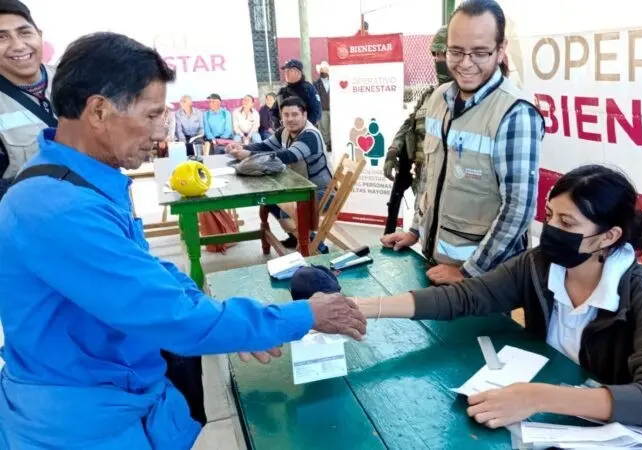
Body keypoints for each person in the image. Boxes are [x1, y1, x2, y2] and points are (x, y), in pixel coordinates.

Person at [0, 32, 367, 449]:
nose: (161, 132)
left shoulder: (75, 182)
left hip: (112, 398)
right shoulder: (59, 209)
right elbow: (171, 315)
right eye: (153, 115)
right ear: (99, 111)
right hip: (85, 422)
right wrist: (301, 318)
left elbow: (145, 269)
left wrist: (235, 325)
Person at [358, 165, 642, 429]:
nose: (551, 228)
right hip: (538, 417)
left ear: (609, 236)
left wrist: (538, 397)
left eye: (567, 222)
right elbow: (464, 297)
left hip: (600, 428)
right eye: (549, 216)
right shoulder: (539, 264)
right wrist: (368, 307)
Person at [381, 0, 544, 285]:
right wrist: (416, 232)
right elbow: (431, 175)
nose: (465, 63)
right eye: (456, 51)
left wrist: (469, 271)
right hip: (434, 263)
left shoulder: (515, 113)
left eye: (480, 53)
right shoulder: (438, 99)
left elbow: (518, 209)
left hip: (485, 281)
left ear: (501, 50)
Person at [227, 96, 332, 250]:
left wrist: (248, 155)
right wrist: (241, 148)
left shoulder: (310, 135)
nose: (290, 119)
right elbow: (264, 146)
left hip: (318, 190)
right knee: (271, 201)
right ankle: (295, 236)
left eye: (295, 114)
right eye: (286, 115)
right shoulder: (284, 131)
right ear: (281, 117)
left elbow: (288, 155)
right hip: (300, 187)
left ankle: (316, 245)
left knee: (285, 214)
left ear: (304, 115)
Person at [383, 25, 451, 231]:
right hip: (421, 179)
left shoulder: (467, 99)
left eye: (446, 54)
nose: (440, 60)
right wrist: (394, 149)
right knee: (422, 233)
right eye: (436, 55)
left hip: (448, 186)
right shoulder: (429, 95)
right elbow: (410, 124)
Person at [0, 0, 56, 198]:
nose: (18, 46)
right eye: (2, 37)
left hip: (98, 215)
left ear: (39, 35)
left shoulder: (77, 81)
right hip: (26, 222)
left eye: (25, 32)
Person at [272, 59, 322, 127]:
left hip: (306, 131)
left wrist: (304, 128)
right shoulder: (282, 92)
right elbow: (274, 112)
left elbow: (316, 112)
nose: (286, 73)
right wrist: (278, 127)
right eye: (285, 71)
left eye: (289, 71)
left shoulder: (308, 89)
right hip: (286, 133)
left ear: (298, 72)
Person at [313, 60, 331, 152]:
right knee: (324, 129)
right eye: (321, 69)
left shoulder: (334, 82)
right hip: (322, 109)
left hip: (334, 109)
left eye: (325, 69)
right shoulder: (316, 84)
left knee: (334, 127)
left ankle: (333, 144)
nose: (323, 71)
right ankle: (327, 145)